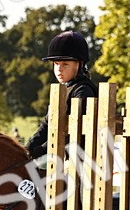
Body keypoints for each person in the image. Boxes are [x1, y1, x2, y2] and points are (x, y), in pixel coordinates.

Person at [26, 31, 98, 159]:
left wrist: (41, 150)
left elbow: (72, 131)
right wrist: (29, 147)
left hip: (82, 159)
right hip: (62, 154)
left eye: (65, 64)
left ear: (80, 64)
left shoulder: (83, 91)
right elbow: (47, 124)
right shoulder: (63, 90)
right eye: (56, 64)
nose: (59, 69)